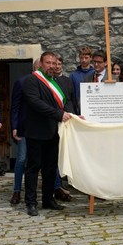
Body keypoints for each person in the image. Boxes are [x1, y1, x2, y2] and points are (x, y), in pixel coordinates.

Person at [23, 51, 71, 216]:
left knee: (50, 169)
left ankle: (48, 200)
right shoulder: (32, 80)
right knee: (33, 168)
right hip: (36, 132)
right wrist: (60, 115)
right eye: (48, 63)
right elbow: (36, 103)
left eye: (54, 63)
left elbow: (64, 103)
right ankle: (31, 202)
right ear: (41, 64)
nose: (51, 66)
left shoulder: (55, 82)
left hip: (53, 132)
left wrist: (74, 116)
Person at [10, 58, 40, 205]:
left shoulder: (49, 84)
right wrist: (14, 126)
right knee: (22, 159)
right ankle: (16, 190)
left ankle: (56, 188)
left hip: (42, 129)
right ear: (35, 67)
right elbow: (15, 106)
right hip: (25, 128)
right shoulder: (22, 82)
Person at [53, 53, 76, 202]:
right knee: (54, 155)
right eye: (54, 64)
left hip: (67, 120)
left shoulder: (67, 81)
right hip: (52, 120)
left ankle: (66, 182)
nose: (57, 66)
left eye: (59, 64)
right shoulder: (47, 82)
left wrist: (73, 116)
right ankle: (56, 186)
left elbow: (71, 100)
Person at [69, 46, 94, 114]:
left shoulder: (95, 74)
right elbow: (71, 95)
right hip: (78, 110)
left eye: (86, 58)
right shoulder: (73, 75)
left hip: (93, 108)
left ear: (91, 58)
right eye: (81, 58)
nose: (84, 60)